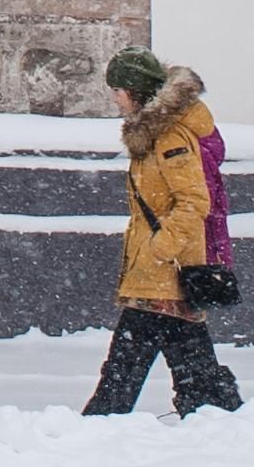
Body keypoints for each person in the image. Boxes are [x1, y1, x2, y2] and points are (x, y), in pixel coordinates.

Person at [86, 46, 243, 416]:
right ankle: (220, 419)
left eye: (118, 90)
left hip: (162, 272)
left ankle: (97, 427)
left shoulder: (169, 138)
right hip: (165, 272)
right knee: (194, 369)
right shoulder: (155, 135)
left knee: (123, 369)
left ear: (135, 91)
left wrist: (159, 249)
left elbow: (193, 201)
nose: (114, 98)